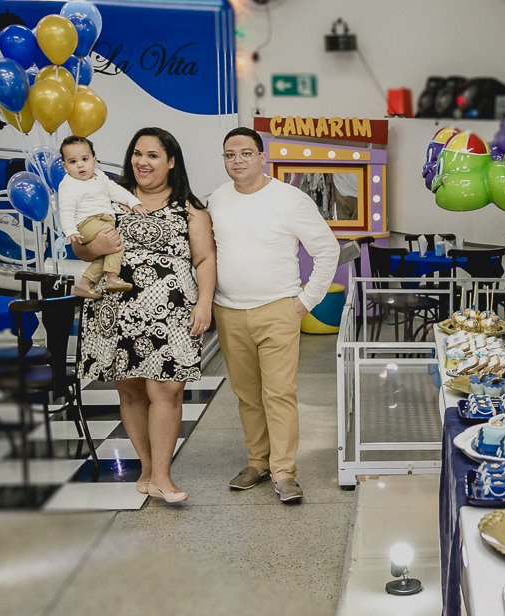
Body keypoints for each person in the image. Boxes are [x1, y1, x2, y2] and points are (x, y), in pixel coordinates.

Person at [73, 127, 216, 504]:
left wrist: (204, 303)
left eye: (153, 155)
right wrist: (95, 245)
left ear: (171, 162)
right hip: (115, 309)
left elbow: (204, 258)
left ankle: (163, 478)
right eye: (138, 153)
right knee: (131, 389)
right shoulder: (107, 198)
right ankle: (149, 469)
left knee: (167, 389)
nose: (142, 161)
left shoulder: (190, 208)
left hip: (172, 314)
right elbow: (84, 250)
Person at [208, 127, 339, 503]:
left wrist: (305, 302)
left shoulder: (290, 199)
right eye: (230, 154)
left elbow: (327, 249)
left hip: (278, 310)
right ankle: (258, 463)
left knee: (279, 393)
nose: (238, 160)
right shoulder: (217, 199)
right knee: (247, 395)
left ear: (262, 157)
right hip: (229, 311)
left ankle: (284, 472)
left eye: (246, 153)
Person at [58, 135, 147, 300]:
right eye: (73, 162)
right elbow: (66, 209)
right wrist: (70, 231)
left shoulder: (99, 176)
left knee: (106, 252)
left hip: (103, 220)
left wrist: (134, 202)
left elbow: (116, 191)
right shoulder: (69, 184)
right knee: (115, 242)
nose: (80, 165)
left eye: (85, 159)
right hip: (87, 222)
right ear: (65, 167)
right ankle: (112, 278)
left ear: (94, 161)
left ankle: (84, 284)